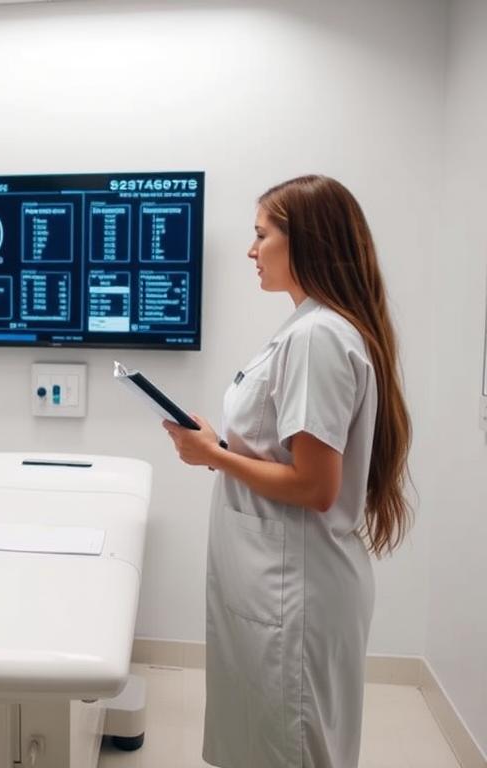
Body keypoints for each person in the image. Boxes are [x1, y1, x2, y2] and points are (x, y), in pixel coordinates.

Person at [162, 175, 412, 768]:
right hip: (280, 580)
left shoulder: (318, 337)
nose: (251, 251)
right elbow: (286, 453)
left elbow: (315, 486)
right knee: (272, 743)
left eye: (261, 235)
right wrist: (220, 444)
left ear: (306, 241)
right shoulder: (307, 328)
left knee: (291, 750)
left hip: (295, 589)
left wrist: (214, 455)